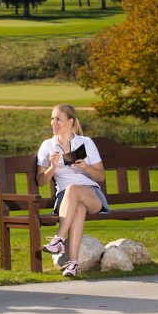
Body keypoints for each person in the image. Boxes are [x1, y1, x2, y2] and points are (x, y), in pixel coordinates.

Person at [35, 103, 109, 278]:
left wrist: (85, 167)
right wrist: (52, 167)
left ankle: (59, 239)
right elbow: (41, 181)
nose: (54, 123)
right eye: (52, 119)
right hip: (66, 199)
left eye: (58, 119)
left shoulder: (86, 143)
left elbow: (101, 177)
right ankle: (73, 263)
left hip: (91, 195)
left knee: (74, 188)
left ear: (71, 122)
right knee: (78, 208)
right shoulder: (47, 146)